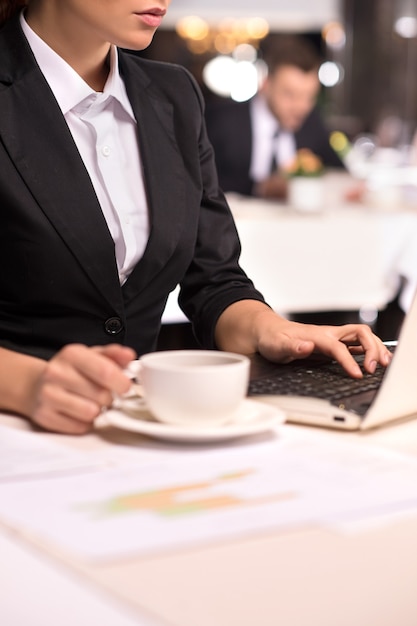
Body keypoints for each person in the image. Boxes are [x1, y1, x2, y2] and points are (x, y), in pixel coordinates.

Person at [0, 0, 391, 435]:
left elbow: (214, 279)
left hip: (138, 429)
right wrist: (26, 384)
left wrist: (277, 331)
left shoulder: (174, 95)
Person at [205, 34, 344, 199]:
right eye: (290, 95)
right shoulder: (223, 121)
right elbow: (203, 179)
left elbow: (339, 173)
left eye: (309, 96)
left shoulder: (312, 123)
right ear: (265, 84)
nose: (301, 107)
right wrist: (260, 188)